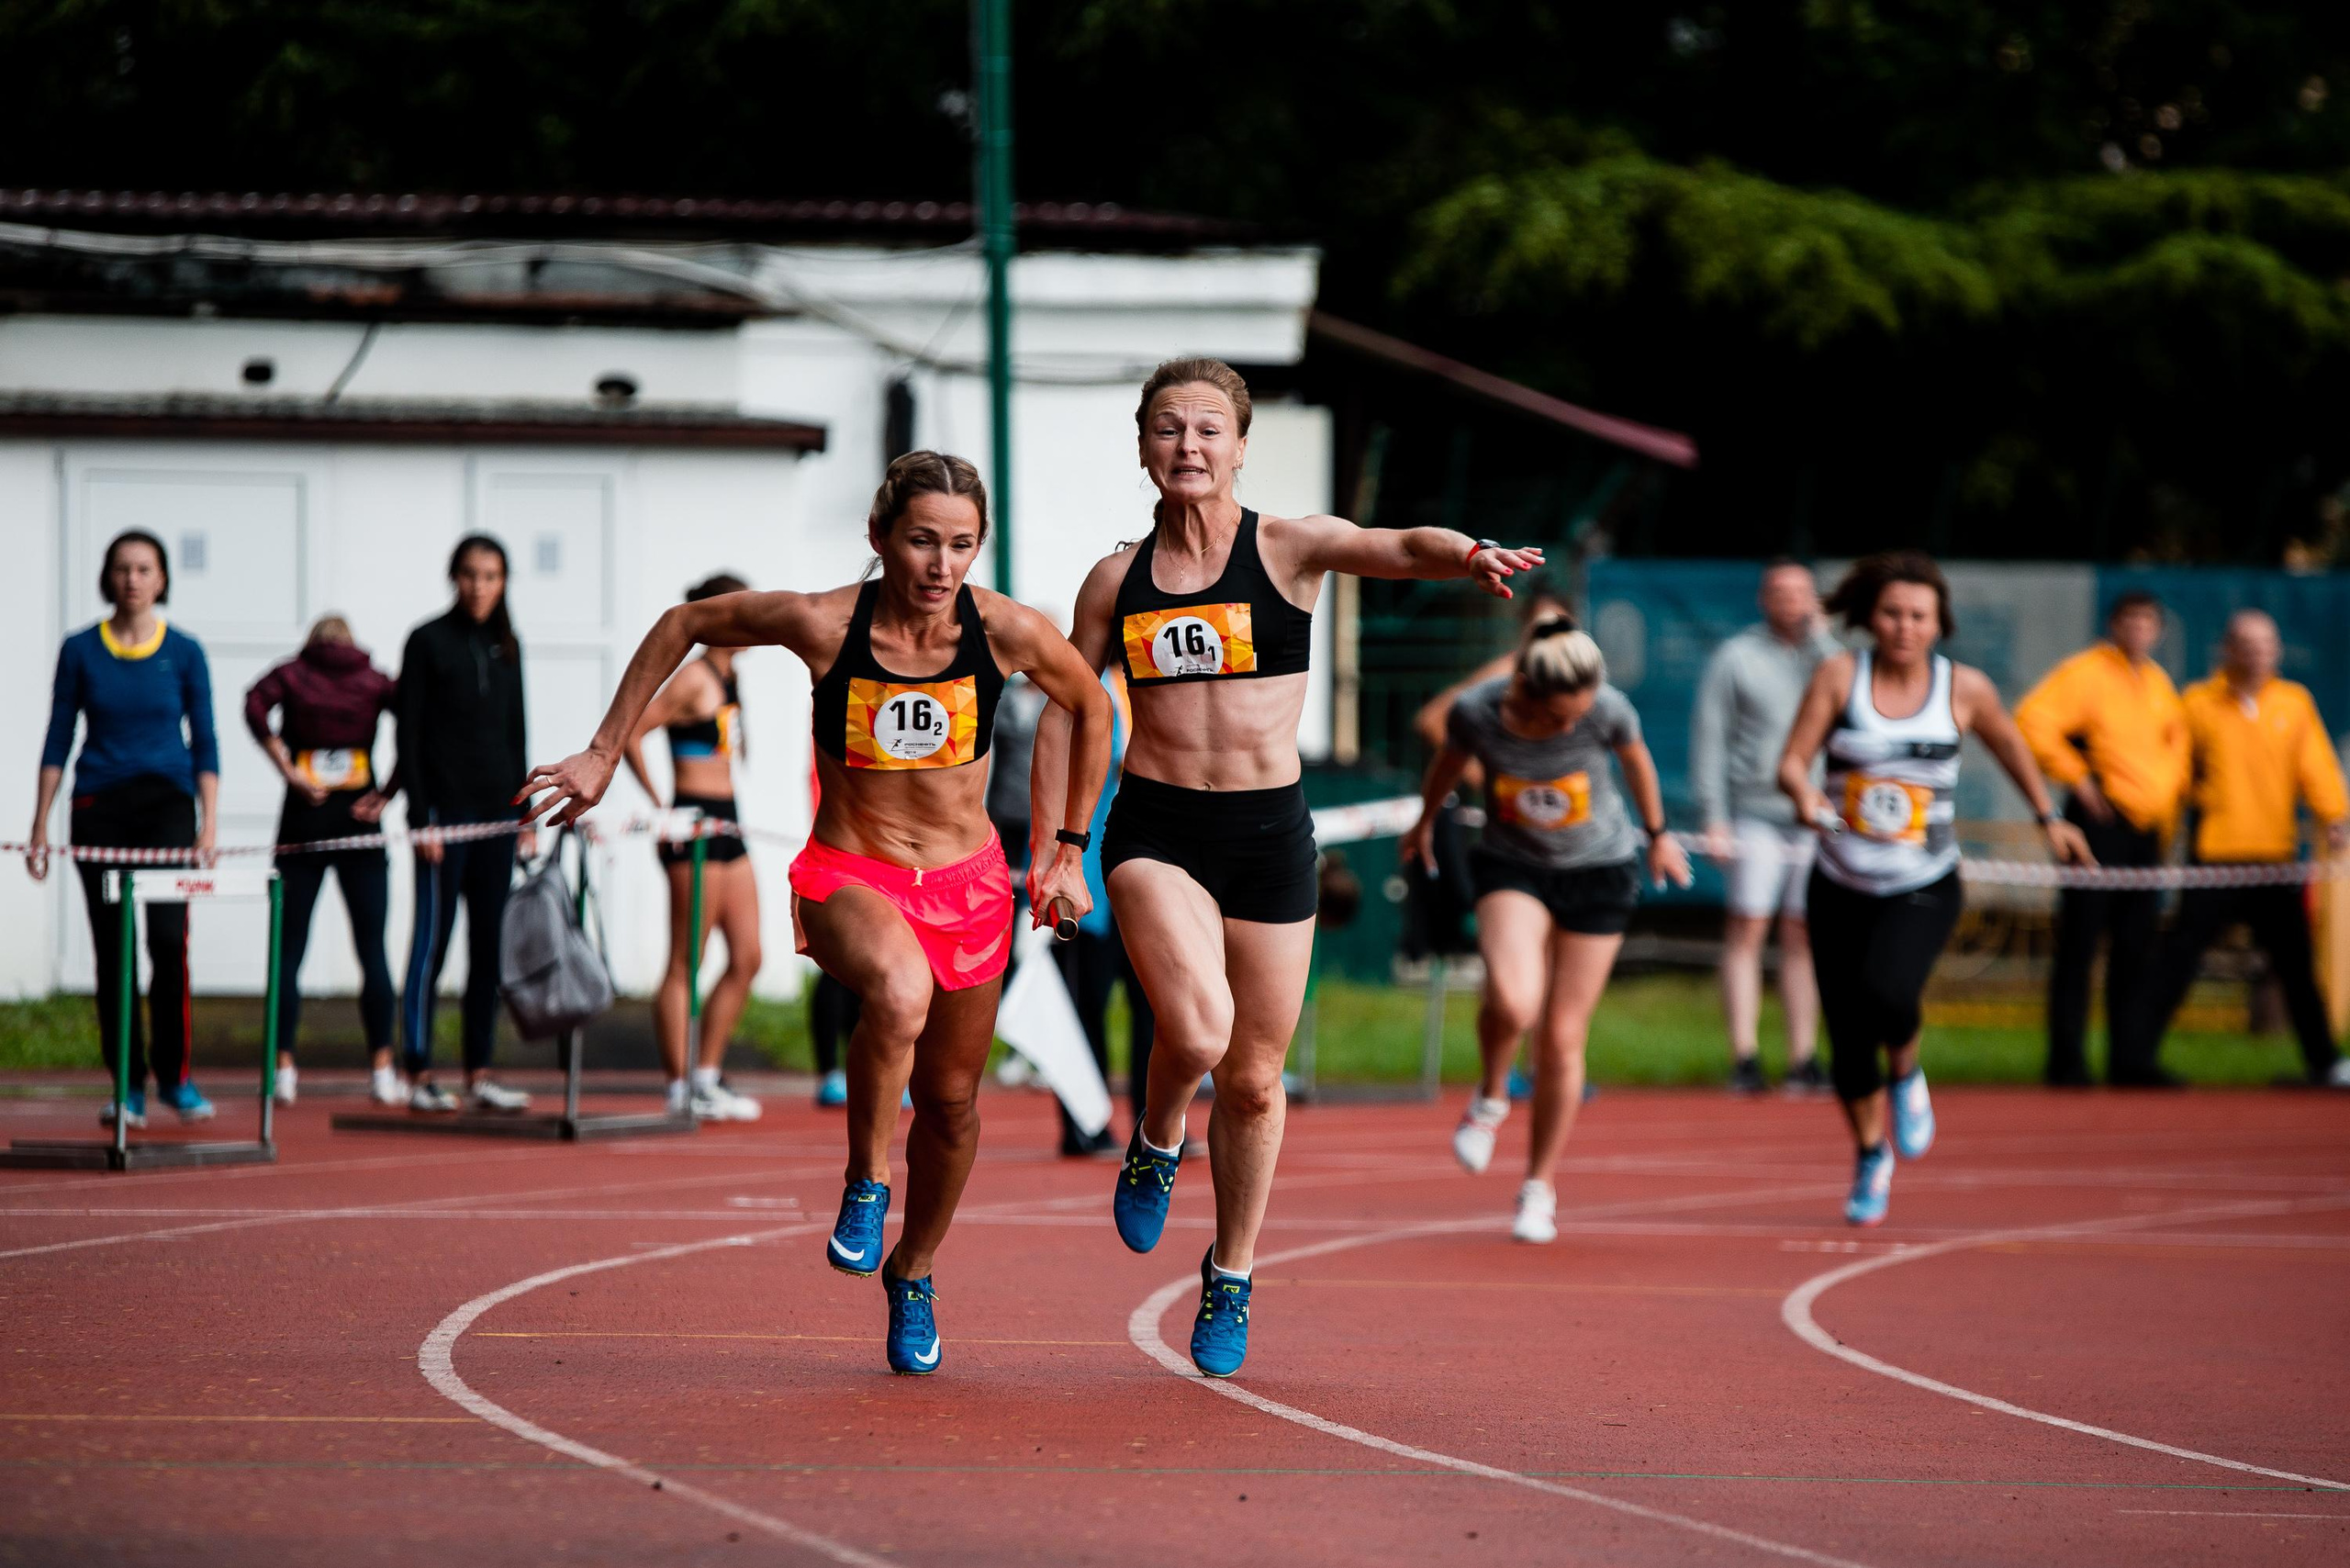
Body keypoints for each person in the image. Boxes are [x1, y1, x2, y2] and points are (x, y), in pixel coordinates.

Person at [518, 451, 1113, 1375]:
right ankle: (866, 1180)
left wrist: (1064, 848)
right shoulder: (824, 623)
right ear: (879, 536)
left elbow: (1088, 704)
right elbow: (684, 622)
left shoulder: (1001, 630)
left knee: (953, 1106)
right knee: (899, 991)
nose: (940, 565)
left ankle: (914, 1270)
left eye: (961, 545)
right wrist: (604, 750)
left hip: (968, 889)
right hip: (852, 872)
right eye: (920, 540)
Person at [1035, 356, 1543, 1377]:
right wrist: (1059, 848)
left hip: (1268, 834)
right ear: (1143, 447)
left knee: (1256, 1083)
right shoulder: (1115, 581)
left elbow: (1392, 545)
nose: (1188, 445)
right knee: (1198, 1029)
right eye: (1168, 427)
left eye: (1207, 428)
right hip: (1157, 826)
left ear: (1239, 446)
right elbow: (1067, 708)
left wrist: (1464, 554)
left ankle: (1230, 1272)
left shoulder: (1287, 548)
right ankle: (1157, 1135)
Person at [1777, 551, 2088, 1226]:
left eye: (1918, 616)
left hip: (1922, 881)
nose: (1904, 627)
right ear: (1872, 618)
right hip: (1839, 881)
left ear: (1939, 623)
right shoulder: (1840, 677)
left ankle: (1906, 1071)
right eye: (1892, 614)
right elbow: (1792, 762)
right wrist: (1803, 795)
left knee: (1889, 994)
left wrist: (2049, 818)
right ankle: (1870, 1154)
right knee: (1847, 1037)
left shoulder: (1964, 689)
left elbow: (2011, 746)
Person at [1406, 616, 1691, 1243]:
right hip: (1514, 864)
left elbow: (1636, 761)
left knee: (1562, 1037)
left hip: (1599, 869)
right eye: (1561, 718)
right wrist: (1423, 823)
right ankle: (1489, 1097)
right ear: (1528, 693)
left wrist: (1659, 835)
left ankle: (1539, 1186)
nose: (1571, 727)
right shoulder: (1478, 711)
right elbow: (1448, 765)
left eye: (1580, 716)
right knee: (1514, 1000)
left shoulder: (1606, 707)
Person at [28, 531, 221, 1127]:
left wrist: (208, 825)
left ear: (161, 580)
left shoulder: (185, 651)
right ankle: (128, 1087)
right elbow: (59, 735)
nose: (132, 579)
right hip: (99, 809)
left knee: (167, 941)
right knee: (115, 950)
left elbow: (206, 739)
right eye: (122, 568)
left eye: (144, 569)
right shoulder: (80, 650)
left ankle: (176, 1077)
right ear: (107, 577)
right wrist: (39, 824)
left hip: (168, 809)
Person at [2143, 610, 2350, 1089]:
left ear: (2277, 651)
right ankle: (2134, 1059)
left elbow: (2317, 766)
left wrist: (2334, 816)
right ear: (2227, 649)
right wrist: (2158, 824)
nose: (2259, 654)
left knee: (2296, 965)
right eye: (2248, 644)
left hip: (2273, 857)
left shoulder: (2294, 702)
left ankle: (2325, 1062)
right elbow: (2172, 772)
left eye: (2267, 644)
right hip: (2215, 855)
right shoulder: (2198, 703)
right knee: (2178, 959)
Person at [2013, 591, 2189, 1086]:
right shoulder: (2086, 672)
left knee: (2135, 947)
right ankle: (2066, 1060)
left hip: (2144, 830)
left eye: (2148, 621)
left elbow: (2174, 751)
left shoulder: (2157, 683)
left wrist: (2166, 808)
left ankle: (2129, 1060)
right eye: (2130, 620)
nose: (2139, 630)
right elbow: (2032, 721)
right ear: (2114, 625)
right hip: (2098, 822)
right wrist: (2079, 779)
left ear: (2158, 630)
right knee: (2080, 942)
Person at [392, 535, 537, 1114]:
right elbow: (407, 733)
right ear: (455, 578)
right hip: (443, 821)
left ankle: (480, 1072)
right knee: (432, 942)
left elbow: (516, 730)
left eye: (491, 576)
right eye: (471, 575)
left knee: (488, 949)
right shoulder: (426, 641)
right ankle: (418, 1071)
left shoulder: (509, 645)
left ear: (504, 583)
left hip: (497, 820)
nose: (480, 587)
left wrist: (525, 814)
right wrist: (419, 818)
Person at [1692, 560, 1839, 1094]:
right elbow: (1710, 737)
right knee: (1748, 927)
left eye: (1801, 592)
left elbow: (1851, 700)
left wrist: (1820, 639)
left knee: (1803, 934)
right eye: (1780, 591)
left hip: (1816, 815)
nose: (1791, 601)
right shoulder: (1736, 657)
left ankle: (1803, 1057)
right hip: (1754, 812)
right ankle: (1745, 1055)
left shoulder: (1831, 657)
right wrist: (1714, 816)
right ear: (1763, 599)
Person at [621, 573, 764, 1123]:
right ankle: (679, 1085)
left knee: (748, 956)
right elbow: (632, 730)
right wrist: (662, 807)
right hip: (694, 824)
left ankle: (706, 1075)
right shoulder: (693, 677)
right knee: (687, 960)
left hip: (730, 824)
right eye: (746, 612)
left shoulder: (729, 677)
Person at [243, 616, 400, 1106]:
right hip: (360, 820)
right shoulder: (372, 679)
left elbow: (253, 704)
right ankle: (382, 1069)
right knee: (372, 950)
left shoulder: (292, 674)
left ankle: (284, 1068)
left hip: (302, 820)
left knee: (287, 952)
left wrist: (288, 769)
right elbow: (419, 718)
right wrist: (389, 791)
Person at [1054, 668, 1150, 1158]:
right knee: (1083, 1010)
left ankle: (1154, 1125)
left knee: (1153, 1009)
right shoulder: (1083, 690)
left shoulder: (1144, 688)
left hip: (1141, 886)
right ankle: (1082, 1125)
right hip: (1087, 888)